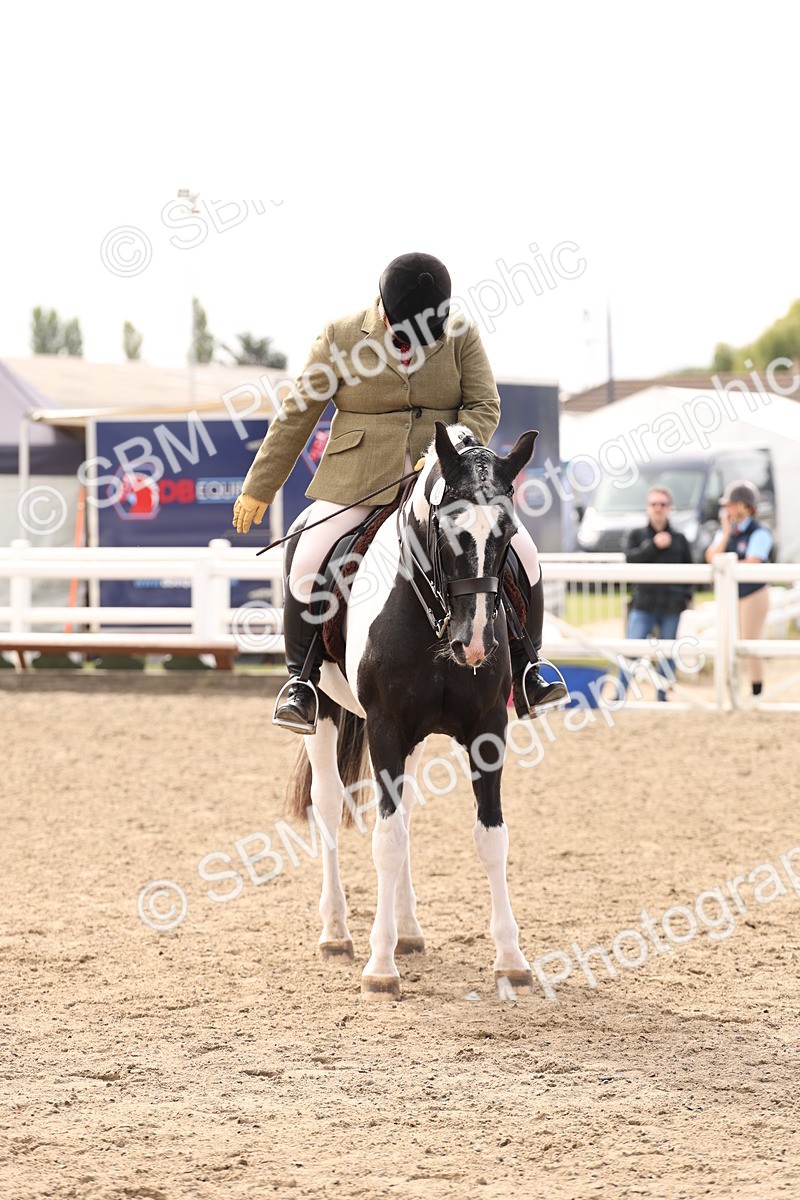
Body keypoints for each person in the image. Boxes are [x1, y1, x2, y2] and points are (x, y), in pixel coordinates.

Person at [232, 251, 566, 733]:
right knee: (307, 559)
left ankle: (531, 669)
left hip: (443, 481)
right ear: (384, 311)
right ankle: (300, 684)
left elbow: (483, 404)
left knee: (526, 552)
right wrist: (260, 486)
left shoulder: (461, 334)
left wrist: (445, 450)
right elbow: (298, 412)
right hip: (357, 480)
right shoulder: (340, 336)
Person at [622, 486, 693, 701]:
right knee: (631, 649)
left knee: (667, 654)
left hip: (671, 605)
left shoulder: (680, 539)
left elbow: (691, 570)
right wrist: (652, 546)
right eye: (654, 504)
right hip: (643, 603)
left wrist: (685, 599)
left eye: (662, 504)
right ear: (648, 508)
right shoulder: (637, 535)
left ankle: (662, 696)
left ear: (669, 508)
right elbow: (630, 559)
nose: (658, 508)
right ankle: (618, 695)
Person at [704, 480, 773, 698]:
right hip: (730, 593)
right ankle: (730, 690)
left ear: (744, 506)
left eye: (730, 505)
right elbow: (711, 557)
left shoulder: (760, 532)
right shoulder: (728, 530)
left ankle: (756, 692)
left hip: (753, 593)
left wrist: (725, 566)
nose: (726, 509)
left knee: (749, 641)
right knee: (726, 639)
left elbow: (753, 562)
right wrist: (725, 533)